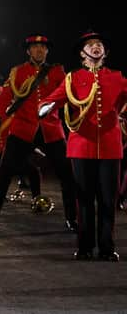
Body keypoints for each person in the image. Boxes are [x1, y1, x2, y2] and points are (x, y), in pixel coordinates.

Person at [39, 32, 127, 260]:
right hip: (81, 146)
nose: (96, 47)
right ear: (82, 53)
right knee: (85, 199)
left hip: (109, 147)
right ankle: (85, 247)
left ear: (104, 52)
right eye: (91, 45)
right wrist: (46, 108)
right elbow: (50, 100)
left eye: (99, 44)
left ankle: (107, 248)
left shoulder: (117, 77)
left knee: (108, 199)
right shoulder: (73, 78)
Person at [0, 34, 77, 233]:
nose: (39, 50)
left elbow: (69, 95)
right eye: (35, 47)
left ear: (47, 51)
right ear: (28, 51)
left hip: (51, 129)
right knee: (4, 171)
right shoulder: (17, 72)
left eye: (42, 47)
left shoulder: (58, 71)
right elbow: (3, 100)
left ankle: (72, 219)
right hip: (23, 129)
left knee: (67, 173)